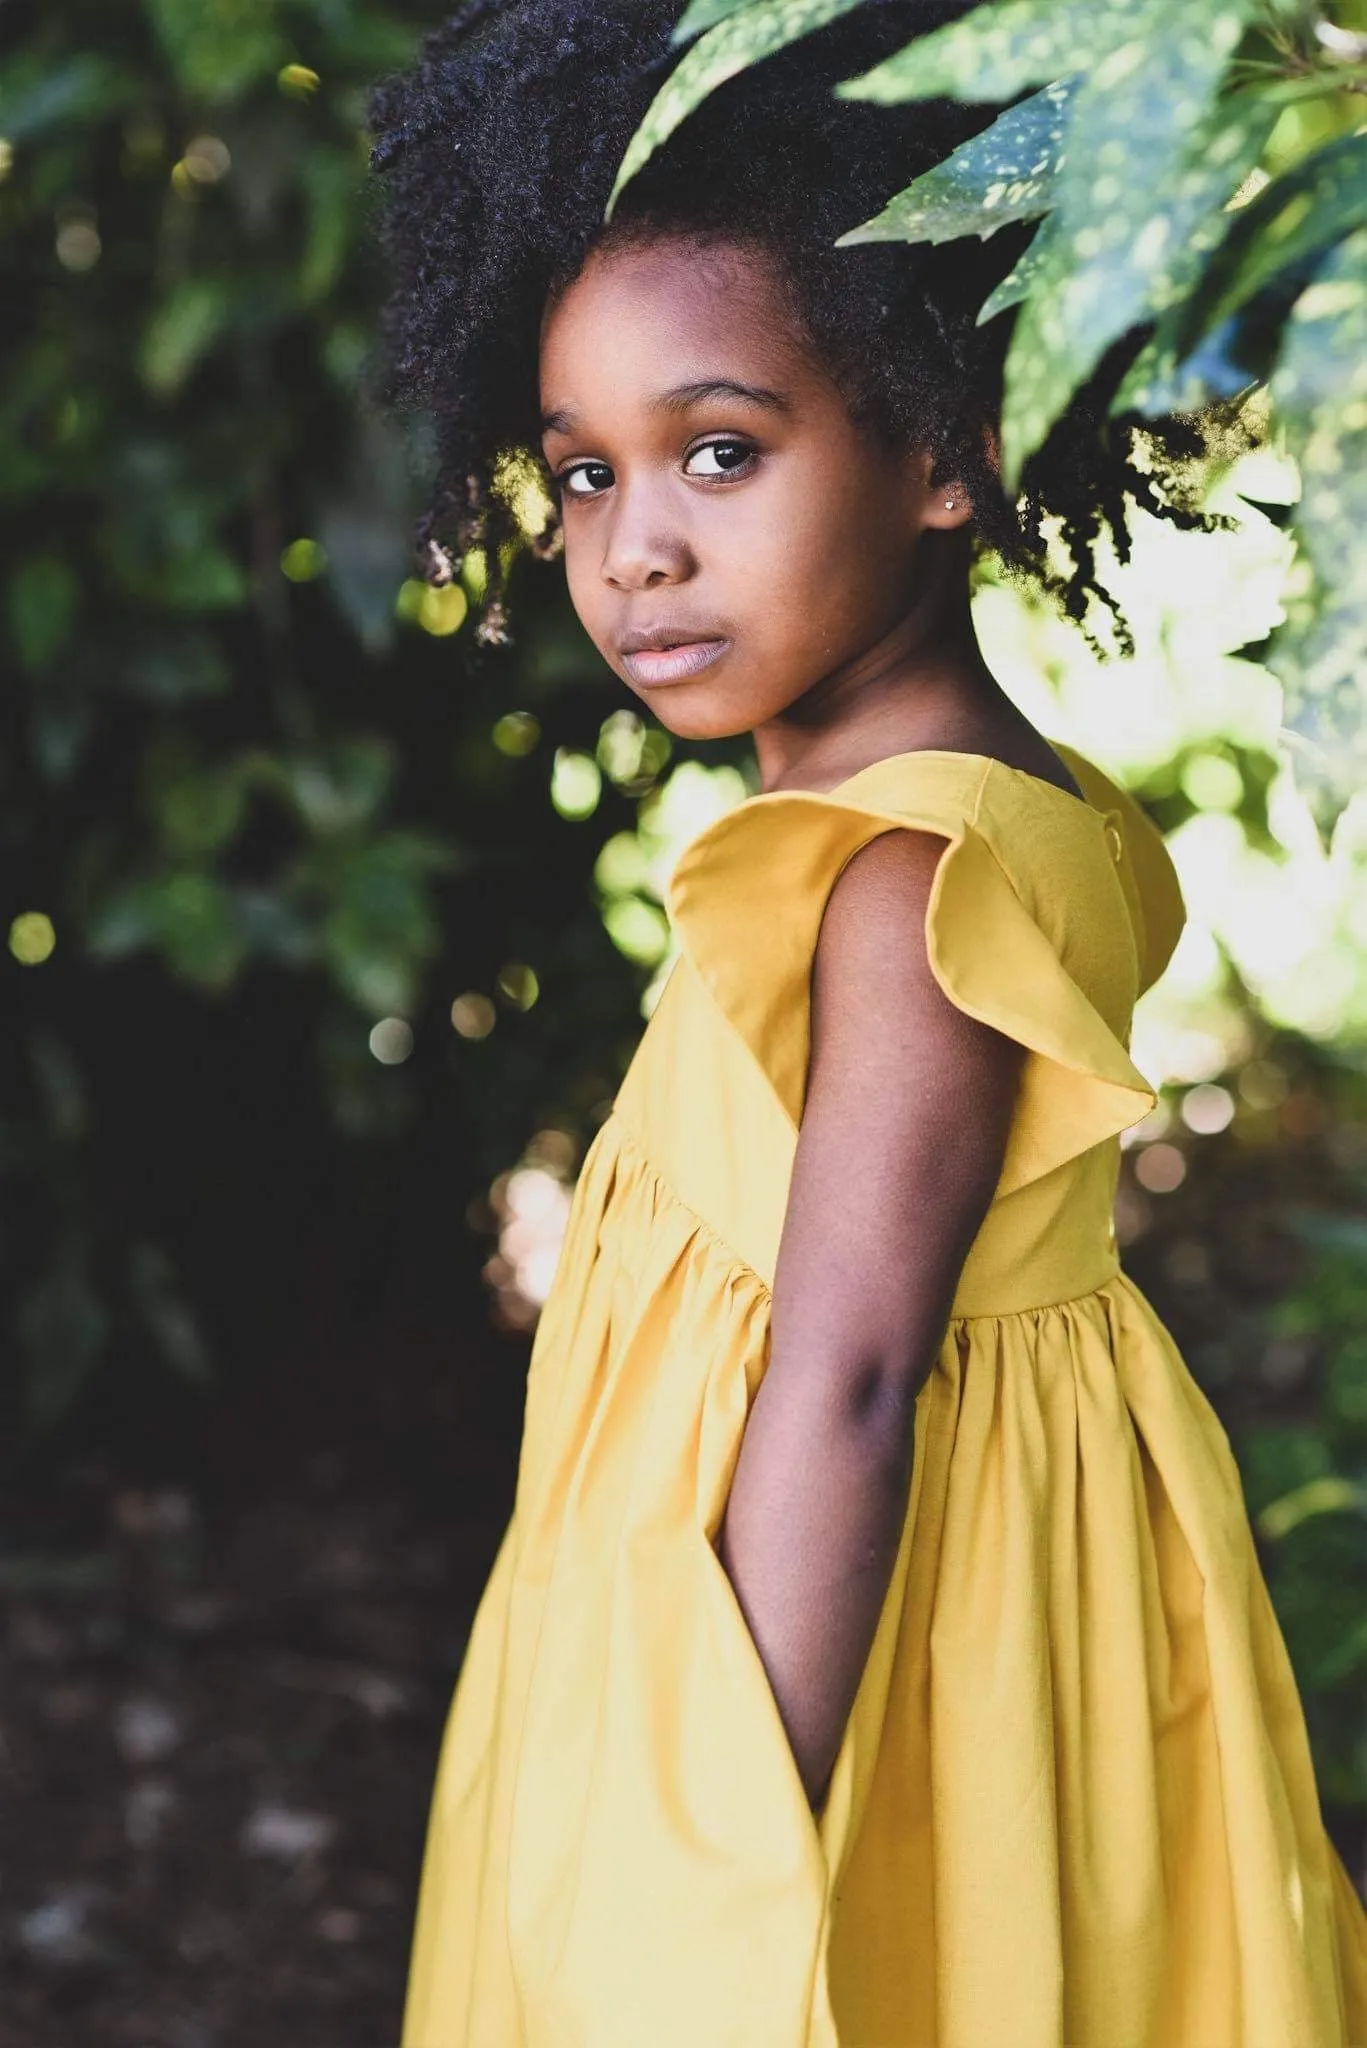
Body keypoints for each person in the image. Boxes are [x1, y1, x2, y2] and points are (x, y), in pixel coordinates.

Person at [368, 4, 1367, 2042]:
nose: (632, 543)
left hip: (818, 1692)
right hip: (734, 1620)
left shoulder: (903, 886)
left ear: (939, 445)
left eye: (716, 449)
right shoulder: (857, 825)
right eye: (580, 471)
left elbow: (836, 1386)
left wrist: (707, 1882)